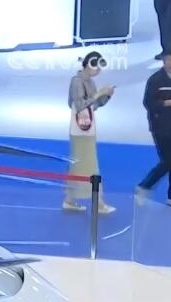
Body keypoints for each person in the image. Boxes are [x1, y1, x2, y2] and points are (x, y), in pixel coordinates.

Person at [62, 51, 116, 214]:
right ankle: (99, 203)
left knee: (77, 165)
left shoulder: (90, 82)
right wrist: (99, 93)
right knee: (90, 166)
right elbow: (80, 105)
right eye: (96, 67)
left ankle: (69, 200)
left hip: (87, 126)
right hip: (80, 130)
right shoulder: (77, 81)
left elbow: (95, 105)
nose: (98, 71)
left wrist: (107, 96)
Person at [139, 47, 171, 209]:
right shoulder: (156, 80)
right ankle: (145, 185)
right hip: (162, 127)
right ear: (164, 60)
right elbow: (148, 103)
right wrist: (167, 103)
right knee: (168, 161)